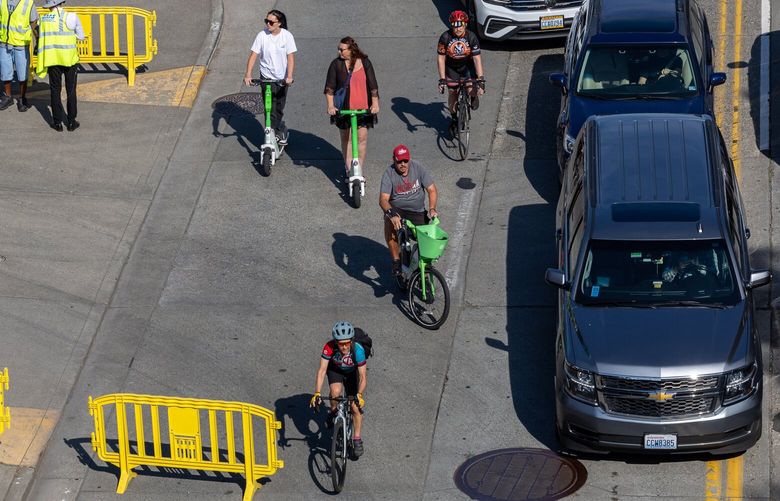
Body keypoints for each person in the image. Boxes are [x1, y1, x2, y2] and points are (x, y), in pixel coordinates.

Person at [324, 36, 380, 181]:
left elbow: (373, 86)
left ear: (351, 49)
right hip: (344, 108)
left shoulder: (365, 62)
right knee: (346, 138)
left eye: (342, 49)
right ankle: (349, 168)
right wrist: (330, 106)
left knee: (362, 138)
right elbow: (329, 88)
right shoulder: (336, 64)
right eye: (338, 49)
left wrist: (375, 104)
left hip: (363, 108)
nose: (339, 52)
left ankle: (359, 168)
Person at [310, 321, 367, 458]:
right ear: (336, 342)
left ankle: (357, 439)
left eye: (347, 343)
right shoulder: (329, 347)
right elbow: (322, 370)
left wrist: (359, 394)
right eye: (341, 343)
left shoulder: (358, 350)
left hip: (352, 373)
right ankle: (334, 411)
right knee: (335, 392)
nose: (344, 346)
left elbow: (363, 376)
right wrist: (317, 392)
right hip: (335, 371)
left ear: (351, 341)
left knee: (354, 407)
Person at [379, 145, 438, 276]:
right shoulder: (389, 173)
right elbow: (383, 199)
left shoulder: (418, 168)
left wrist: (432, 208)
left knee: (426, 240)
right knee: (389, 222)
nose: (403, 164)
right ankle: (396, 260)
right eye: (399, 161)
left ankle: (422, 266)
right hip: (398, 210)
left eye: (405, 161)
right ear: (394, 160)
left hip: (417, 211)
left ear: (409, 159)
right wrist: (391, 214)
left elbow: (432, 190)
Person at [243, 9, 296, 145]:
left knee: (278, 106)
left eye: (271, 22)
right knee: (269, 107)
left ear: (279, 23)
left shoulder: (287, 36)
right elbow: (253, 55)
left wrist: (289, 76)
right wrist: (248, 74)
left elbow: (290, 58)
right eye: (266, 21)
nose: (268, 24)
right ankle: (271, 131)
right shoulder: (262, 35)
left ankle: (279, 129)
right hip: (266, 77)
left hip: (281, 79)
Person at [36, 0, 83, 131]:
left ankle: (57, 123)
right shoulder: (72, 16)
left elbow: (40, 34)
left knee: (55, 90)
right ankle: (71, 122)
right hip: (69, 59)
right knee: (71, 90)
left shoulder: (43, 19)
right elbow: (81, 36)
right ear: (61, 3)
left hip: (52, 59)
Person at [437, 10, 484, 134]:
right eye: (454, 26)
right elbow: (441, 58)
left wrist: (480, 79)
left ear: (465, 25)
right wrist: (442, 79)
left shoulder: (471, 37)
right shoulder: (445, 37)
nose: (457, 29)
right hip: (452, 69)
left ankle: (473, 97)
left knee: (470, 89)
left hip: (467, 67)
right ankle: (453, 119)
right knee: (452, 93)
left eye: (460, 25)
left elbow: (477, 58)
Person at [0, 0, 38, 112]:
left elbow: (33, 21)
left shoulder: (28, 3)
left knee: (22, 74)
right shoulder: (2, 1)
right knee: (5, 72)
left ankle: (22, 98)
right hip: (4, 42)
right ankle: (8, 97)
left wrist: (31, 34)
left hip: (21, 44)